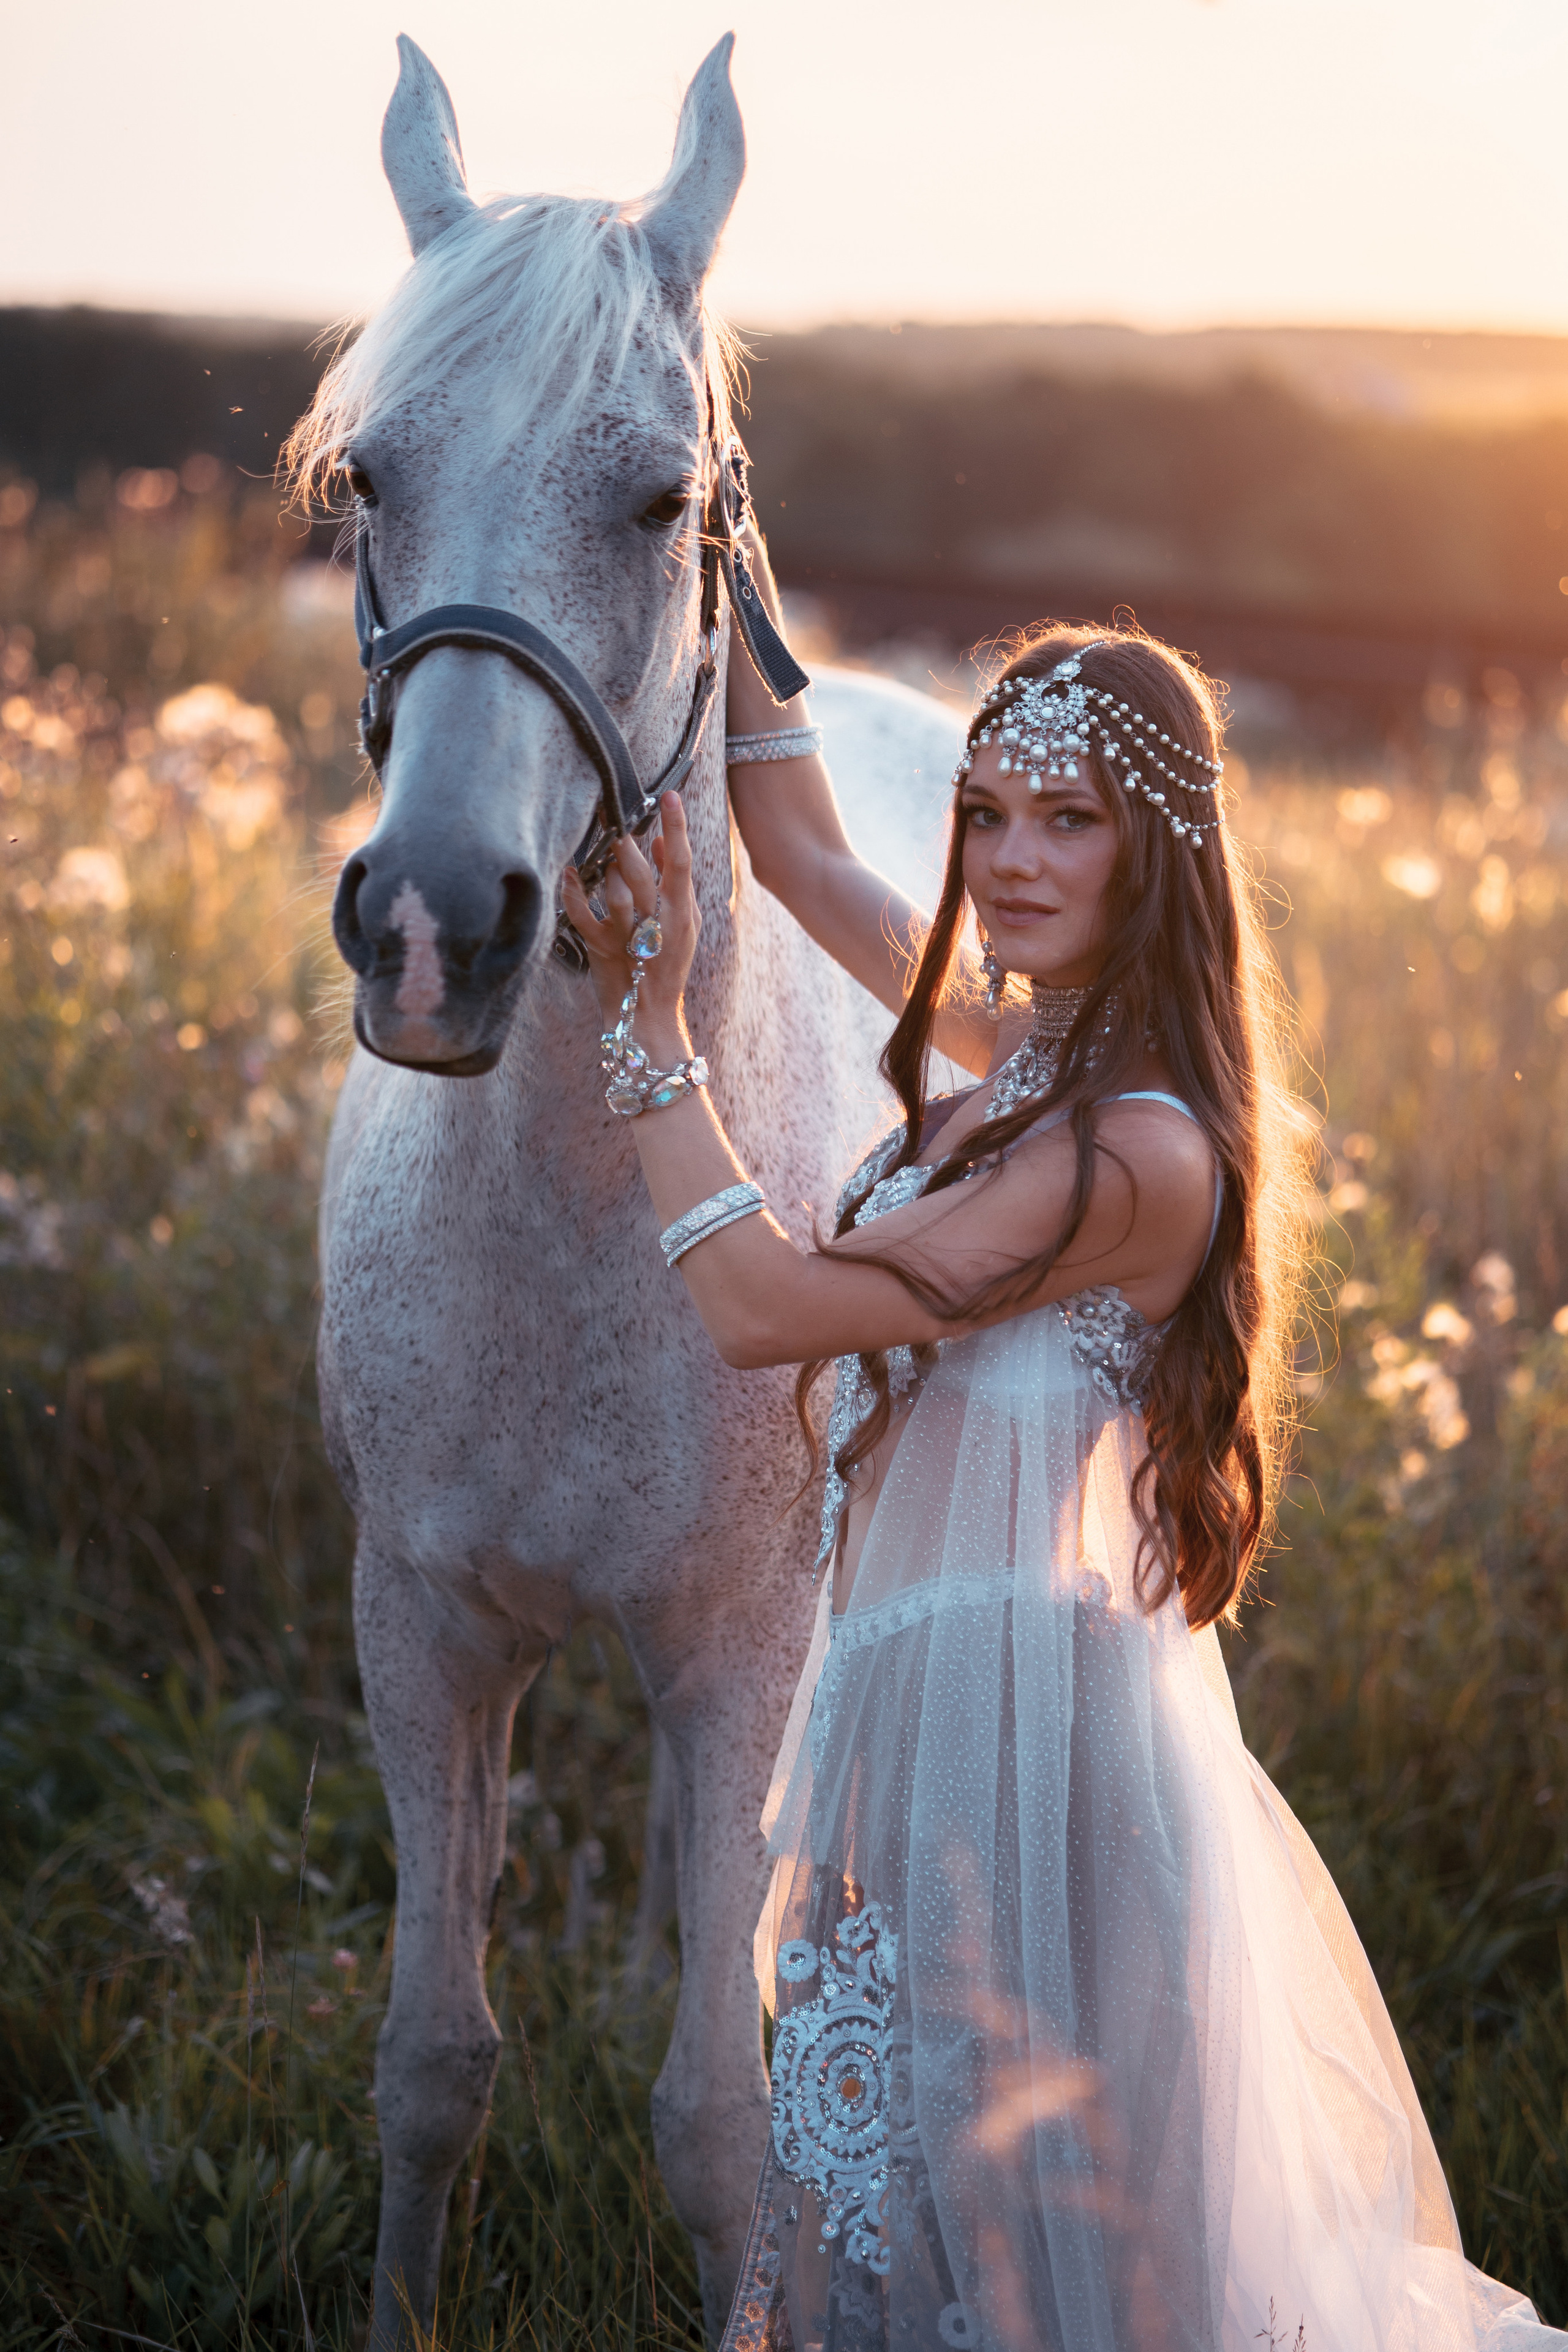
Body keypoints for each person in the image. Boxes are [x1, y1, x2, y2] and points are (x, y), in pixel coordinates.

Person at [561, 549, 1559, 2352]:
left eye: (1070, 820)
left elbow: (769, 1307)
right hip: (923, 1707)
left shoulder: (1134, 1152)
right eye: (988, 813)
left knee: (1047, 2249)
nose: (1011, 861)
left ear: (1153, 851)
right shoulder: (1028, 1056)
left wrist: (652, 1041)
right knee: (902, 2206)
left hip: (1036, 1753)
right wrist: (731, 572)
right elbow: (803, 857)